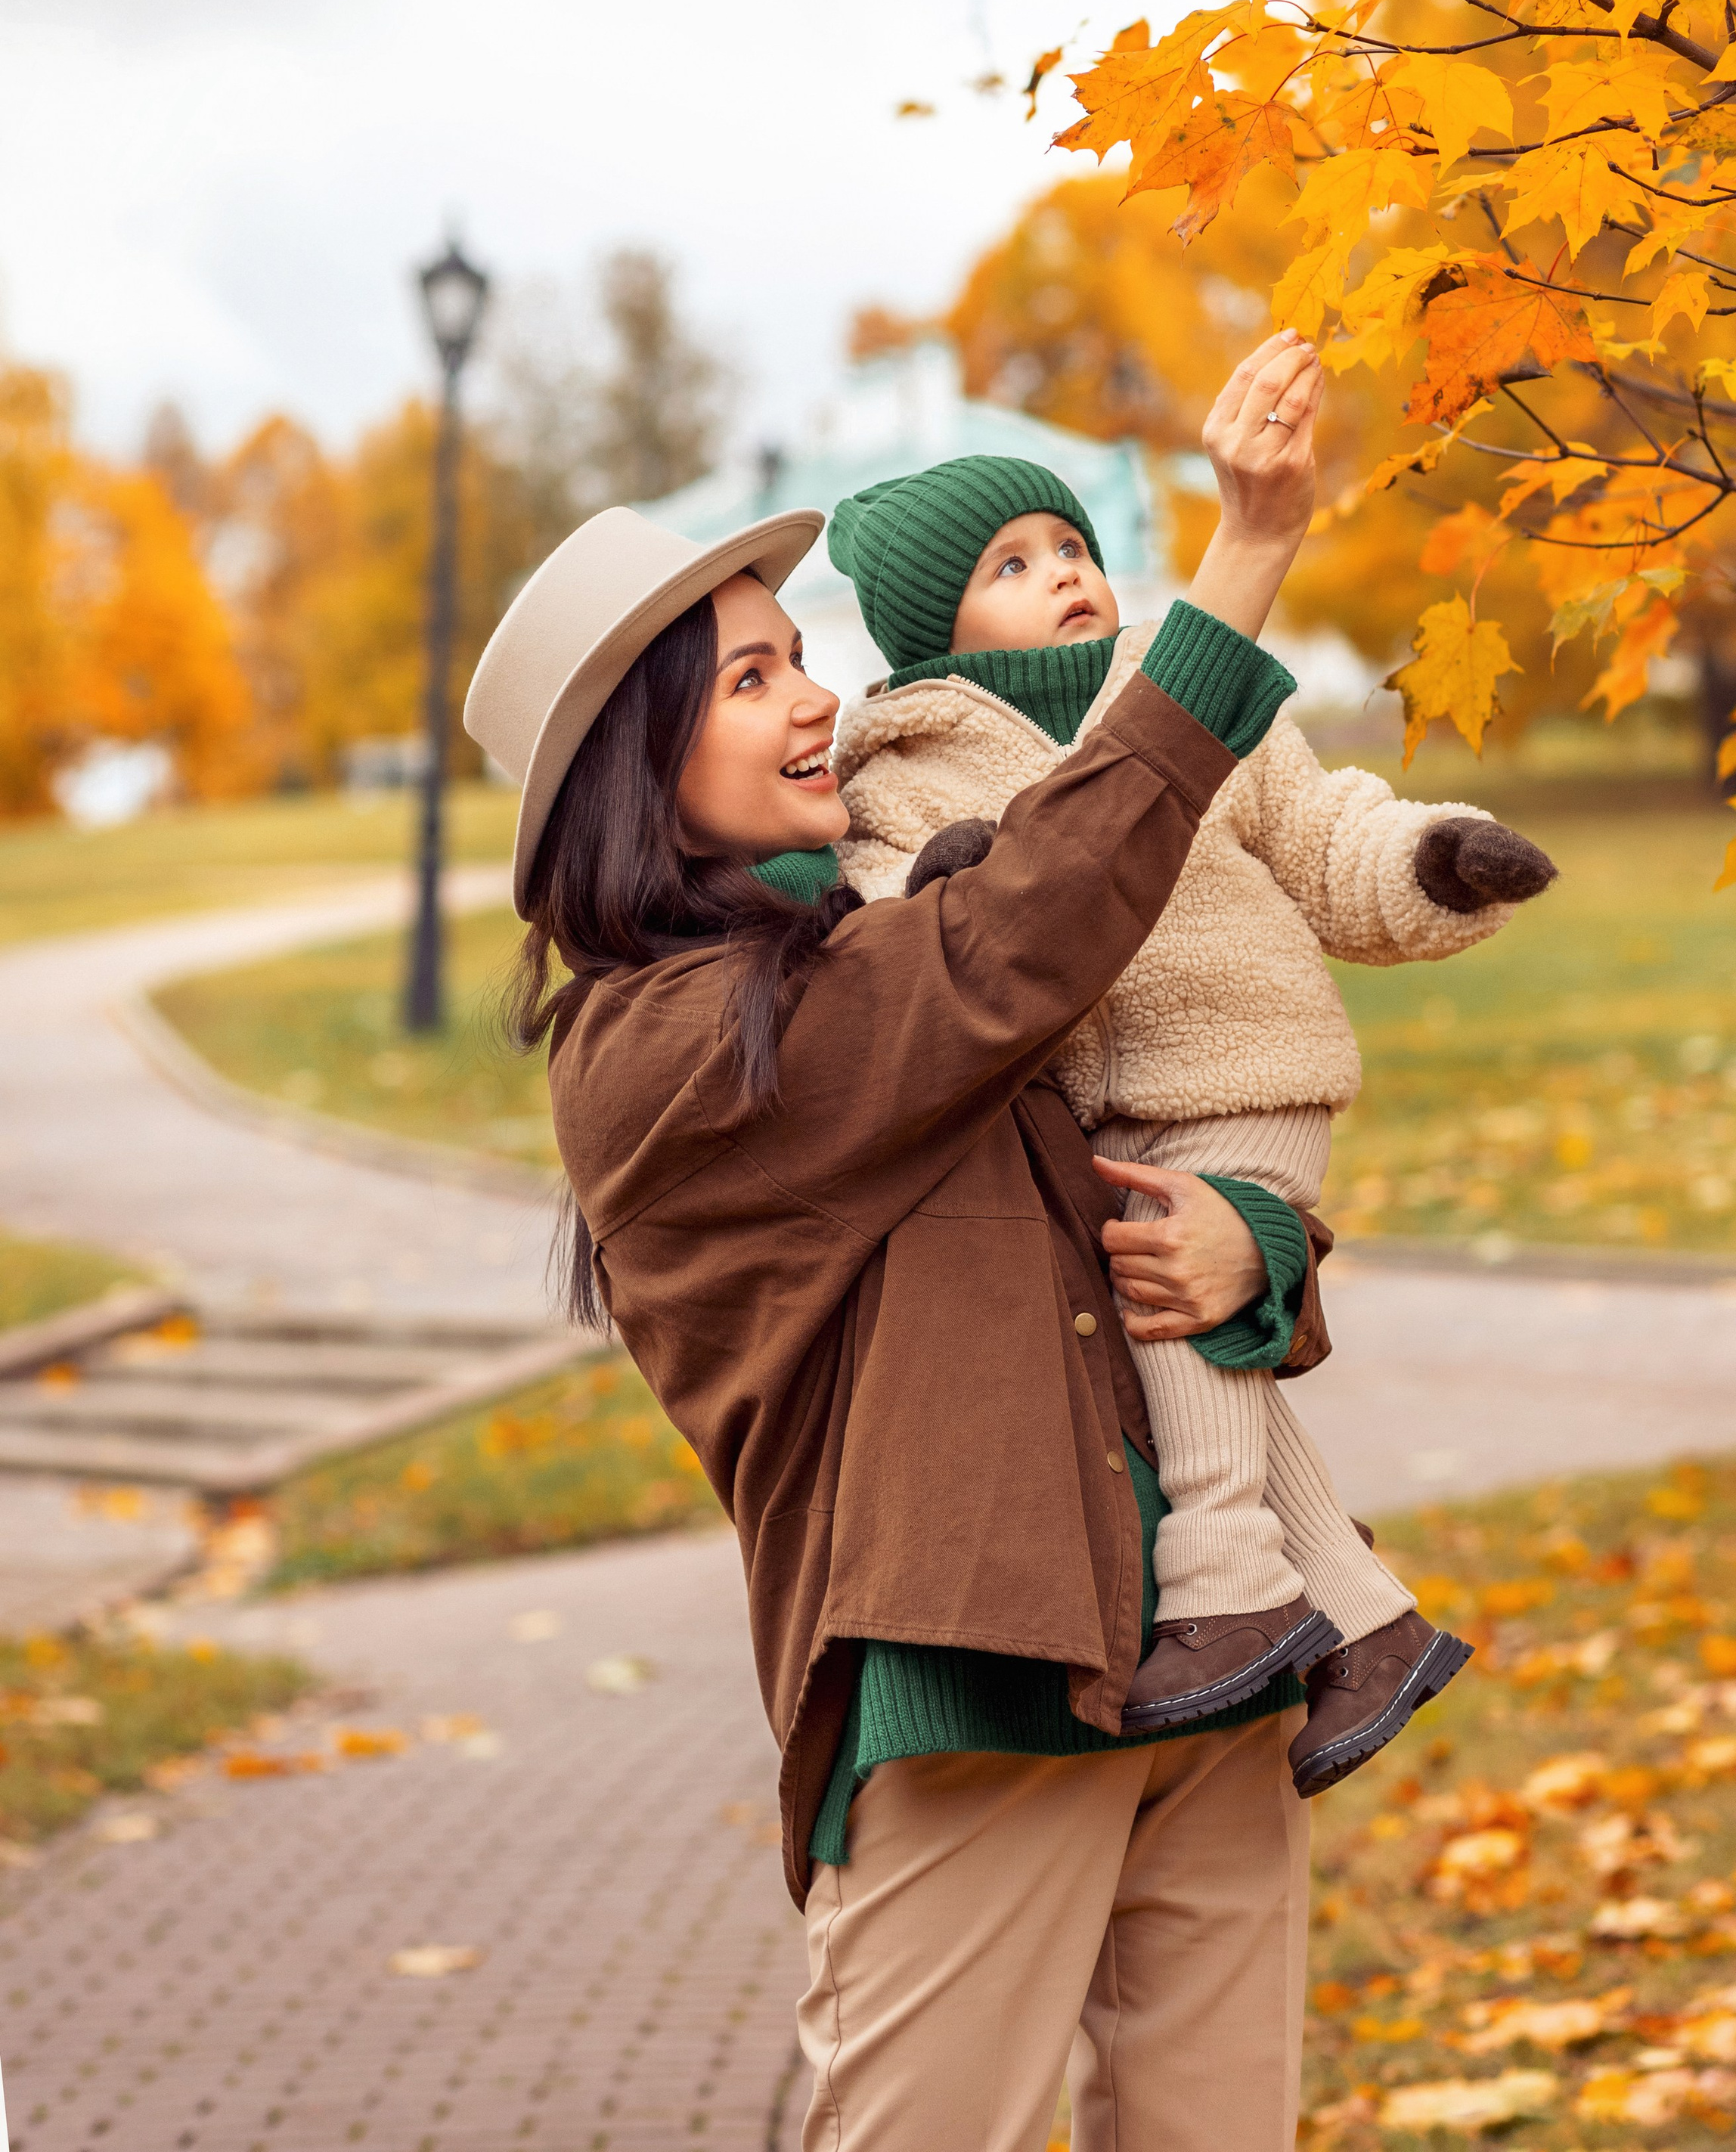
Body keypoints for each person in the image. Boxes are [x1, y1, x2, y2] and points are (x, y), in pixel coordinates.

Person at [463, 443, 1328, 2149]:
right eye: (752, 675)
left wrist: (1258, 1260)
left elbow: (1132, 1194)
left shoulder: (881, 932)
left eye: (803, 653)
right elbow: (1025, 934)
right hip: (971, 1684)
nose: (817, 699)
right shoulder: (659, 1048)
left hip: (1200, 1660)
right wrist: (1239, 563)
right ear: (638, 764)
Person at [826, 337, 1557, 1794]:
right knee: (1189, 1331)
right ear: (930, 629)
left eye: (1073, 545)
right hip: (1111, 1107)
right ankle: (1369, 1628)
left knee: (1168, 1298)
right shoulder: (896, 773)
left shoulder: (1195, 687)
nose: (1066, 573)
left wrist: (1436, 862)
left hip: (1244, 1064)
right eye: (1015, 563)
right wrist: (947, 881)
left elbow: (1326, 829)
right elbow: (900, 915)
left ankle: (1227, 1586)